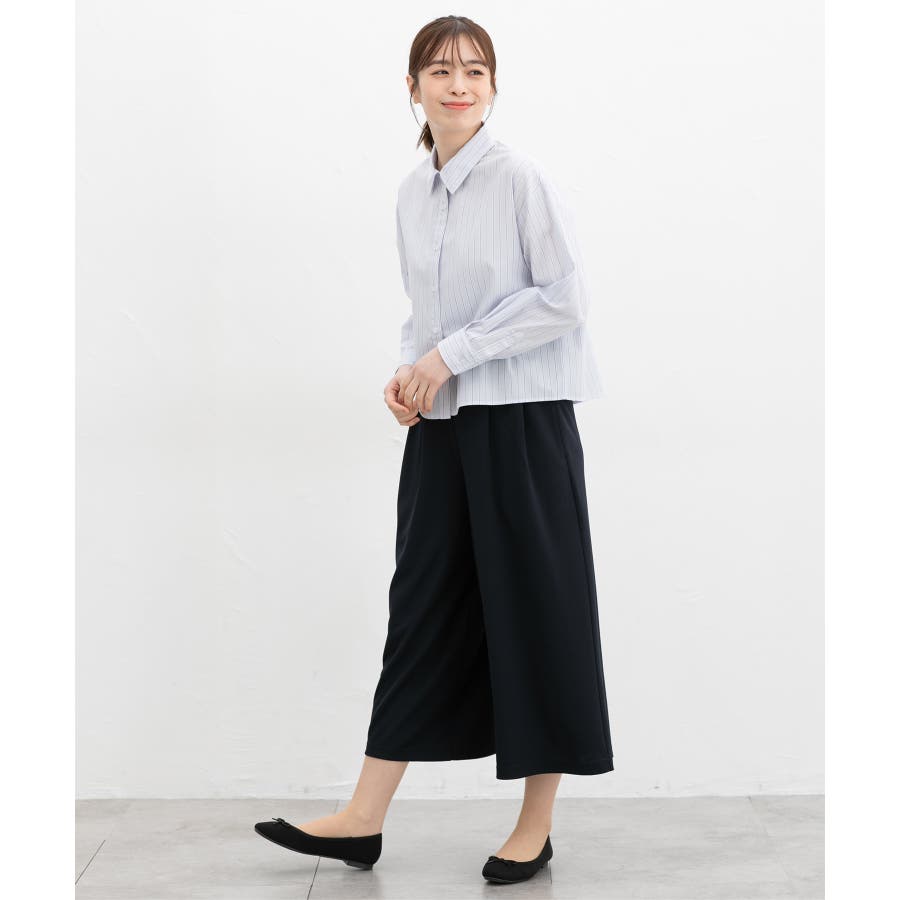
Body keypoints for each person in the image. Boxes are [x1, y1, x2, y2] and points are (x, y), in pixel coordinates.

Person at [255, 15, 613, 885]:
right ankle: (363, 818)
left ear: (494, 86)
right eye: (442, 71)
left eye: (476, 70)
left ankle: (535, 824)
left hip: (523, 421)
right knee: (419, 608)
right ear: (412, 87)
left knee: (536, 611)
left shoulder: (519, 178)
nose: (459, 85)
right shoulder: (413, 193)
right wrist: (409, 373)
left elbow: (564, 299)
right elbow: (428, 311)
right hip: (445, 426)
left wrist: (446, 358)